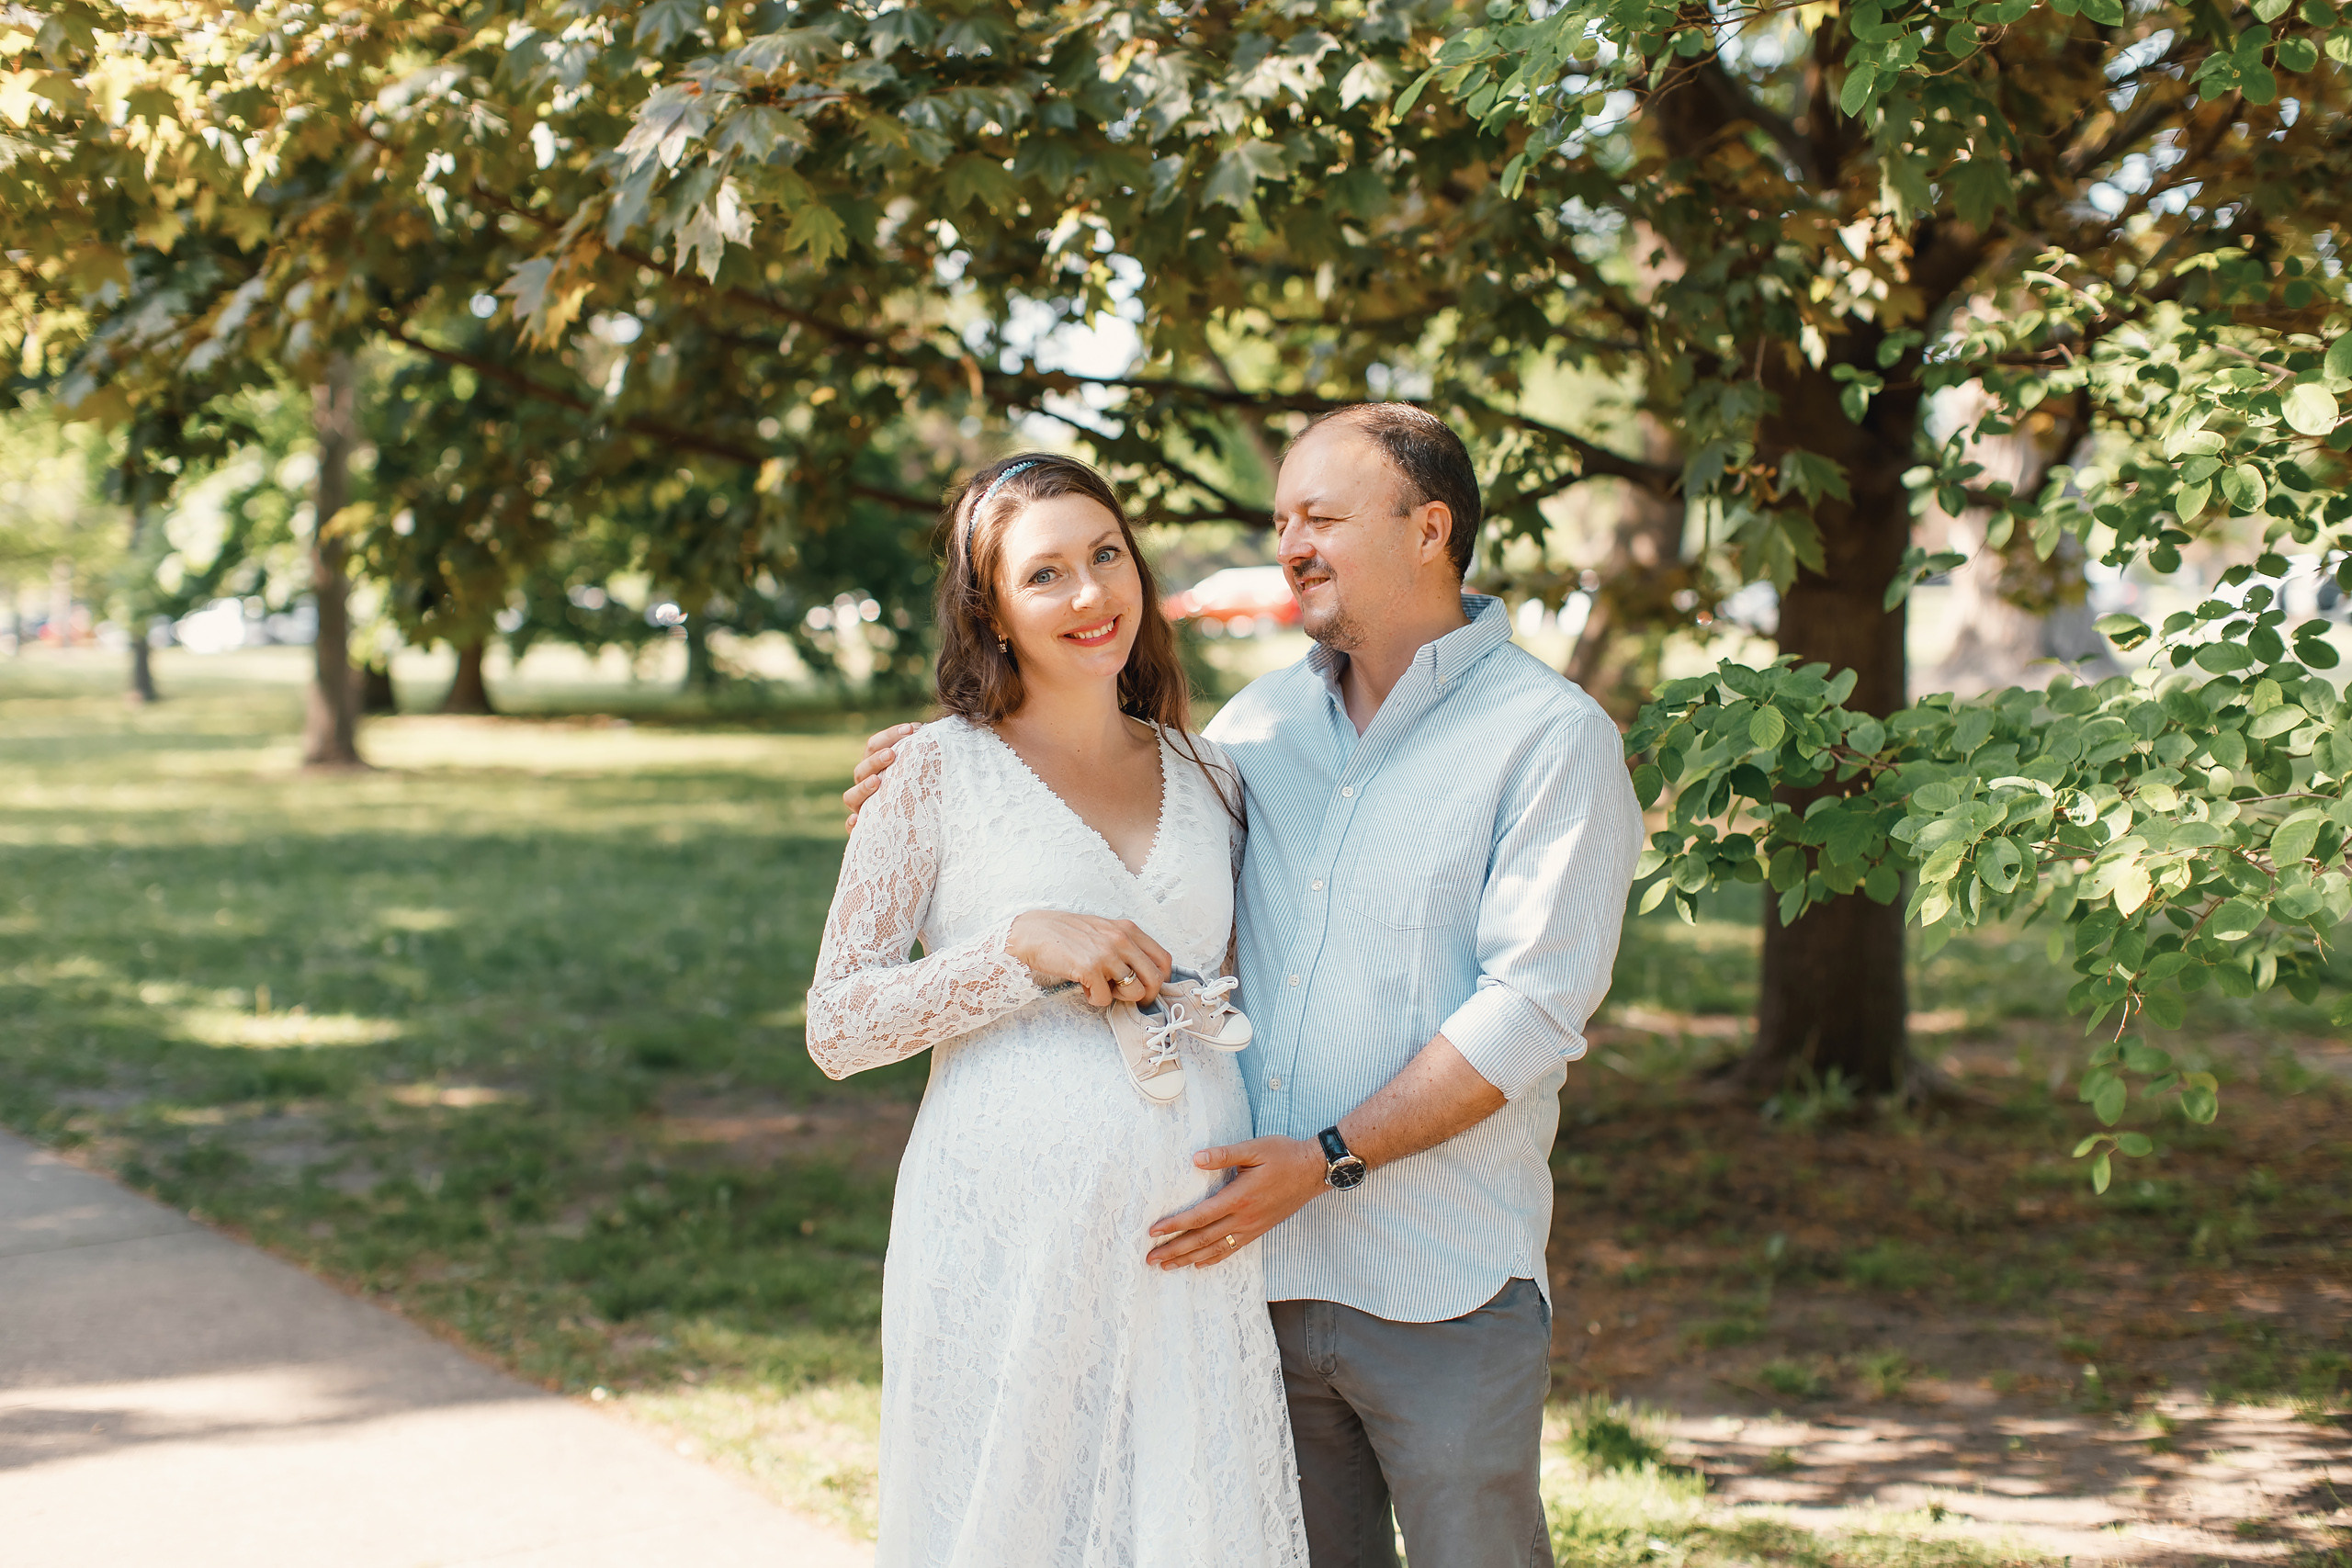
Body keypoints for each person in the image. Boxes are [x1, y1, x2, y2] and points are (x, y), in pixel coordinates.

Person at [848, 406, 1644, 1568]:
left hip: (1433, 1273)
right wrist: (944, 759)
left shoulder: (1549, 738)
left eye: (1320, 517)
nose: (1291, 544)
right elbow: (1099, 806)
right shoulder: (1252, 731)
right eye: (1281, 521)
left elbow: (1528, 1013)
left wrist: (1323, 1157)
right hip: (1239, 1279)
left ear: (1430, 528)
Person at [805, 455, 1308, 1568]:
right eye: (1046, 575)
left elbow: (1228, 986)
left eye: (1104, 555)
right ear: (991, 609)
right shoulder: (933, 772)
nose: (1090, 596)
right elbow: (837, 1026)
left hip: (1190, 1227)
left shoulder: (1212, 775)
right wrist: (1014, 950)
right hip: (1005, 1231)